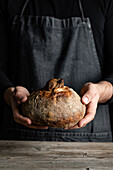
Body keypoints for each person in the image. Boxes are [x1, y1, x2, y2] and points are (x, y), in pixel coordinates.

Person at [0, 0, 113, 142]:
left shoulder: (103, 3)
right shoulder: (10, 3)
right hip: (20, 139)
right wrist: (8, 93)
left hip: (90, 140)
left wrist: (100, 91)